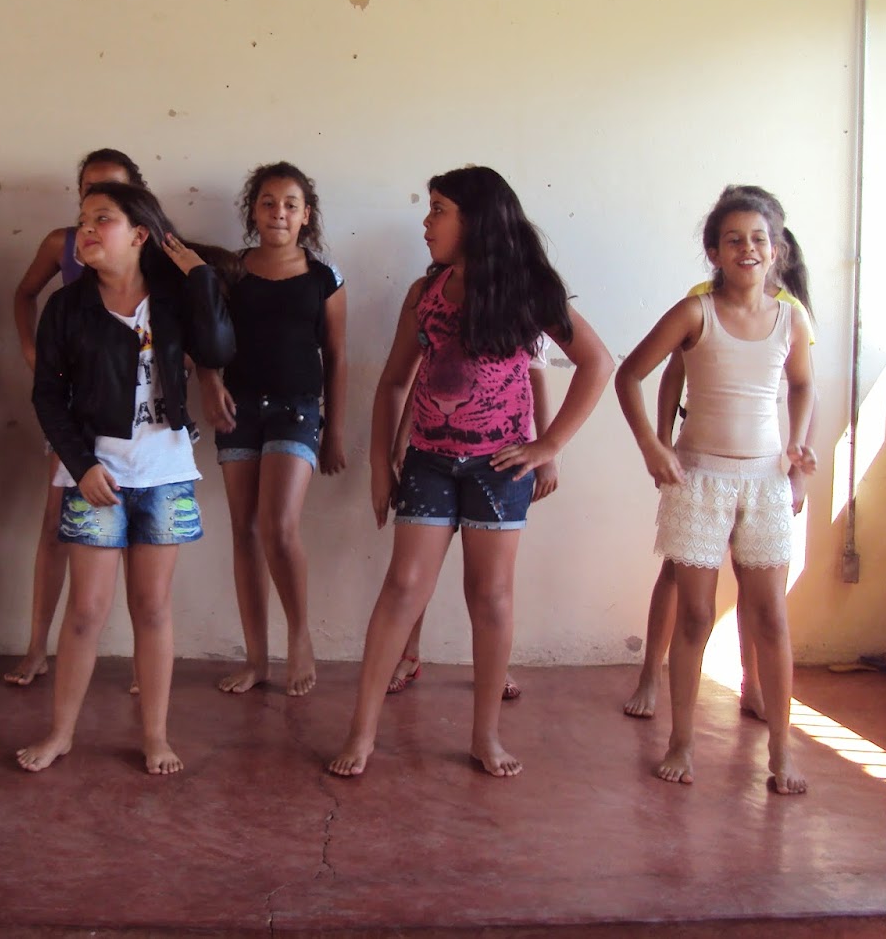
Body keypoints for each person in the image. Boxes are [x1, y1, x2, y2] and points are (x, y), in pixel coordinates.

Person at [327, 166, 612, 778]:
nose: (425, 223)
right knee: (404, 586)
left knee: (491, 596)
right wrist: (380, 465)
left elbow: (597, 363)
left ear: (476, 220)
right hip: (429, 462)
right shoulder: (425, 291)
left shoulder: (530, 291)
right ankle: (362, 731)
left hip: (499, 469)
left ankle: (486, 735)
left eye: (439, 210)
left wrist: (548, 444)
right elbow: (394, 383)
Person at [17, 182, 234, 775]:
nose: (86, 230)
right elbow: (47, 397)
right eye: (83, 219)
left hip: (165, 473)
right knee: (86, 611)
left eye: (102, 219)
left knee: (153, 608)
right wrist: (81, 466)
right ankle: (61, 733)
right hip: (97, 474)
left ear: (139, 235)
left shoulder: (174, 298)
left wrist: (201, 280)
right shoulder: (67, 307)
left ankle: (155, 736)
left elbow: (218, 349)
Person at [614, 187, 816, 793]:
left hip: (766, 483)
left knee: (771, 617)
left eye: (758, 239)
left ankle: (781, 749)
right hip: (699, 479)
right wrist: (653, 446)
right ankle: (681, 740)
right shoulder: (694, 313)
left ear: (776, 250)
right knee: (696, 615)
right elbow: (630, 374)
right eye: (733, 239)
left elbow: (803, 385)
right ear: (715, 251)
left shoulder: (791, 318)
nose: (747, 248)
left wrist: (796, 451)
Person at [199, 161, 346, 697]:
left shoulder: (325, 277)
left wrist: (333, 432)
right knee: (245, 531)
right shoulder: (231, 272)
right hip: (238, 410)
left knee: (279, 526)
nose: (278, 212)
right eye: (267, 202)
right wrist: (209, 383)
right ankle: (257, 659)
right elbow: (205, 337)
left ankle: (299, 636)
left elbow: (337, 357)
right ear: (253, 212)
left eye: (290, 204)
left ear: (306, 216)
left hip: (297, 410)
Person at [6, 148, 148, 686]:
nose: (95, 201)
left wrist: (200, 377)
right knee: (56, 524)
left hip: (136, 416)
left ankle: (142, 658)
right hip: (74, 406)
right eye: (87, 189)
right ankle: (36, 647)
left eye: (111, 190)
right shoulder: (61, 243)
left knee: (140, 532)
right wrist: (31, 350)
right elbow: (24, 294)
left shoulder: (149, 244)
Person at [384, 353, 553, 699]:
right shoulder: (438, 317)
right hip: (432, 455)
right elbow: (426, 371)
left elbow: (534, 375)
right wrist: (402, 437)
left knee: (490, 585)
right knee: (415, 573)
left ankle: (492, 668)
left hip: (499, 458)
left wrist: (547, 451)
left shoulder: (528, 319)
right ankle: (409, 654)